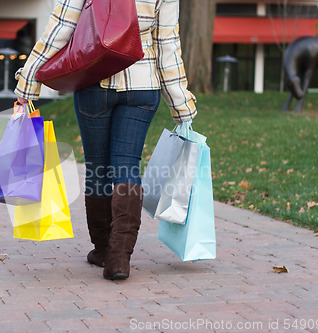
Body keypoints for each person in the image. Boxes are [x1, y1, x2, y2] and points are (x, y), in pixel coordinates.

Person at [15, 0, 197, 280]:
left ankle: (102, 250)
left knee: (98, 167)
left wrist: (28, 80)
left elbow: (61, 27)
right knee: (127, 166)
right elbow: (168, 45)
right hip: (142, 86)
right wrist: (181, 104)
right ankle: (120, 257)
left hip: (93, 81)